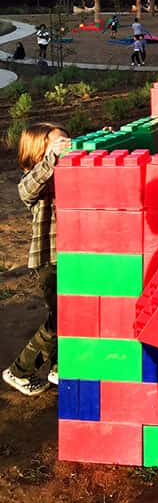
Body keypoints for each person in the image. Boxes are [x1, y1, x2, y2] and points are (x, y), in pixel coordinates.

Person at [2, 123, 70, 396]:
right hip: (49, 259)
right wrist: (51, 159)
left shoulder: (68, 176)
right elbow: (26, 189)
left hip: (72, 255)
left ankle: (57, 367)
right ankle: (20, 371)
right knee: (60, 318)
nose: (65, 147)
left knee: (73, 312)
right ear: (38, 152)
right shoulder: (36, 180)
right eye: (58, 144)